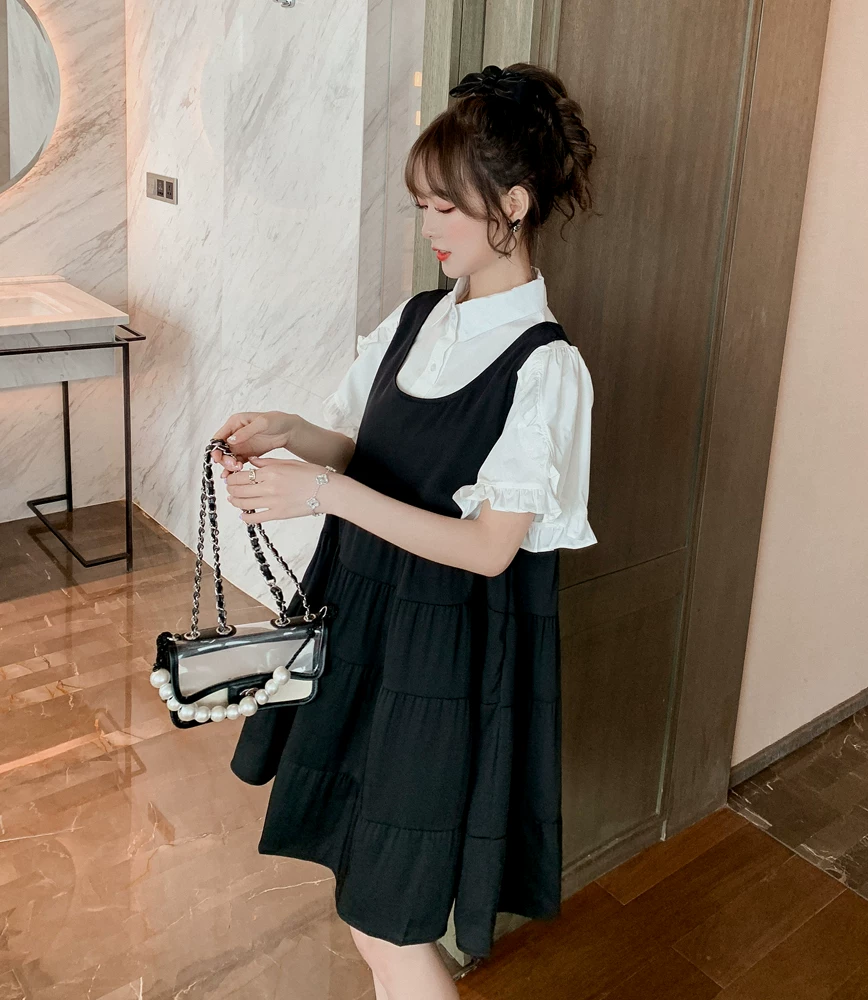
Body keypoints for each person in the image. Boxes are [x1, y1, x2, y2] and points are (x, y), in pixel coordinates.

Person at [210, 62, 598, 1000]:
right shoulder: (420, 318)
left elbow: (490, 548)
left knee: (387, 912)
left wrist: (324, 495)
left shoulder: (546, 368)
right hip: (361, 621)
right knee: (363, 890)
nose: (428, 227)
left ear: (513, 203)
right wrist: (292, 433)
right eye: (421, 206)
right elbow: (363, 448)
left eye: (445, 208)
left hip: (444, 658)